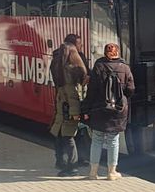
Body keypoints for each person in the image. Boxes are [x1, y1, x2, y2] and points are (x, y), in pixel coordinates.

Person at [82, 42, 135, 181]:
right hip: (117, 109)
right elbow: (130, 89)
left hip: (100, 108)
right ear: (118, 52)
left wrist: (86, 108)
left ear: (105, 53)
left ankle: (93, 172)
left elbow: (91, 91)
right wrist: (121, 99)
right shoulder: (125, 68)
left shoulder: (98, 66)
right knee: (113, 140)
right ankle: (112, 172)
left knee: (97, 139)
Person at [49, 34, 89, 176]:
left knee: (60, 133)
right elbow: (76, 93)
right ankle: (73, 166)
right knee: (70, 135)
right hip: (71, 108)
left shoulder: (57, 64)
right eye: (80, 45)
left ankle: (60, 160)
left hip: (61, 106)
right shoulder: (74, 69)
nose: (81, 48)